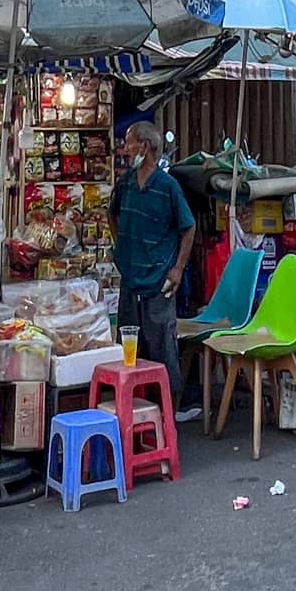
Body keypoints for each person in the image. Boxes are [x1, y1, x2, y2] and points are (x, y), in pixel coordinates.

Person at [110, 120, 198, 421]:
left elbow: (188, 228)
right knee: (130, 349)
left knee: (162, 347)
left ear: (144, 147)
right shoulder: (125, 183)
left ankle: (168, 417)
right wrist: (122, 249)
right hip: (130, 278)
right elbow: (113, 215)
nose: (125, 149)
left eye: (129, 142)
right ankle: (135, 414)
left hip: (160, 281)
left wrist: (177, 269)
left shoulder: (168, 186)